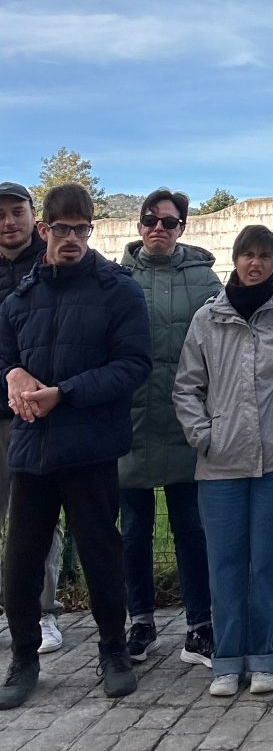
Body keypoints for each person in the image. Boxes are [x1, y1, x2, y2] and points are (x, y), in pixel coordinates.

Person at [0, 183, 151, 709]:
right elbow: (3, 357)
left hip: (90, 447)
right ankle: (23, 660)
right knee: (20, 560)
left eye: (80, 228)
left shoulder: (119, 290)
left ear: (92, 228)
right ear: (44, 229)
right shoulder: (20, 298)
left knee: (100, 551)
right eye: (60, 228)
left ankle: (113, 651)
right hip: (30, 447)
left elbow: (134, 367)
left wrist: (64, 394)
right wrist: (15, 373)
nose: (71, 239)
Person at [173, 225, 273, 697]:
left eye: (264, 256)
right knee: (226, 563)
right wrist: (203, 435)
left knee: (268, 563)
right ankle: (228, 660)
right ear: (234, 260)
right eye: (247, 254)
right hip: (219, 464)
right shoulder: (206, 319)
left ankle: (267, 656)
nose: (255, 263)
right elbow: (186, 387)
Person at [119, 189, 222, 667]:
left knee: (191, 527)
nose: (158, 228)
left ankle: (200, 624)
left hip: (185, 420)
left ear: (183, 227)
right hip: (132, 421)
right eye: (150, 220)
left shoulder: (204, 279)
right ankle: (139, 620)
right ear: (139, 225)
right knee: (134, 530)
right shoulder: (117, 279)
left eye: (170, 221)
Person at [0, 182, 65, 656]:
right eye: (0, 214)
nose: (8, 222)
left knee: (37, 520)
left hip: (35, 412)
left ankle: (43, 614)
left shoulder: (55, 265)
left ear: (32, 217)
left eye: (16, 212)